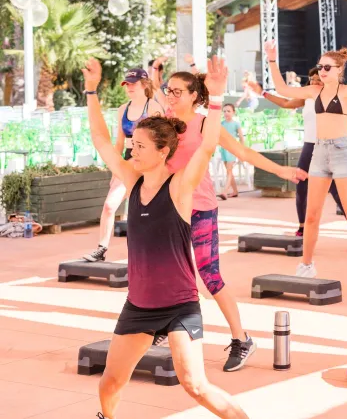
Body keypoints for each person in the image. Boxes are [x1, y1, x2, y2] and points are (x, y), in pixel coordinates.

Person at [82, 56, 249, 419]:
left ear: (162, 152)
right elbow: (100, 138)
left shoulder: (180, 188)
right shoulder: (132, 180)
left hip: (179, 308)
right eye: (133, 144)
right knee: (110, 383)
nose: (132, 150)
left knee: (195, 385)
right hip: (138, 306)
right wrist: (92, 90)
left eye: (140, 146)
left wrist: (217, 99)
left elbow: (206, 148)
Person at [151, 65, 306, 371]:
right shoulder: (162, 124)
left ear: (194, 96)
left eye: (177, 91)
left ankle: (241, 339)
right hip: (169, 208)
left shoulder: (205, 125)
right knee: (168, 272)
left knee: (210, 277)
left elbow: (244, 153)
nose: (169, 96)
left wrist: (280, 170)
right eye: (167, 90)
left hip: (200, 208)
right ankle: (165, 325)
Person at [265, 41, 347, 291]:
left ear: (339, 69)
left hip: (342, 152)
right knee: (311, 216)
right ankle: (307, 264)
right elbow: (282, 88)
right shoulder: (313, 92)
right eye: (320, 67)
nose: (322, 71)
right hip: (319, 151)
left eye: (327, 67)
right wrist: (272, 60)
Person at [246, 69, 347, 253]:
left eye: (318, 79)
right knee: (301, 186)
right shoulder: (307, 97)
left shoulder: (334, 97)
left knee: (337, 192)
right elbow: (284, 102)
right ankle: (302, 227)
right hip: (309, 146)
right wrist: (262, 92)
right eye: (312, 79)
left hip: (328, 146)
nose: (315, 81)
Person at [83, 68, 163, 262]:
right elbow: (119, 142)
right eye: (127, 84)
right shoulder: (122, 109)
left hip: (149, 163)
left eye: (133, 83)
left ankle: (155, 250)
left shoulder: (154, 108)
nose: (129, 87)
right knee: (110, 205)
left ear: (144, 84)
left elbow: (161, 139)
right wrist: (114, 169)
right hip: (128, 161)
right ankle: (101, 248)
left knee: (150, 208)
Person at [218, 103, 244, 200]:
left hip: (232, 149)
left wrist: (242, 151)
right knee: (229, 171)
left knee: (229, 171)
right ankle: (235, 191)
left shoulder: (236, 124)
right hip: (224, 150)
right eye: (224, 111)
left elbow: (241, 138)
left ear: (233, 112)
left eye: (228, 111)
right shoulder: (221, 124)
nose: (226, 113)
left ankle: (225, 192)